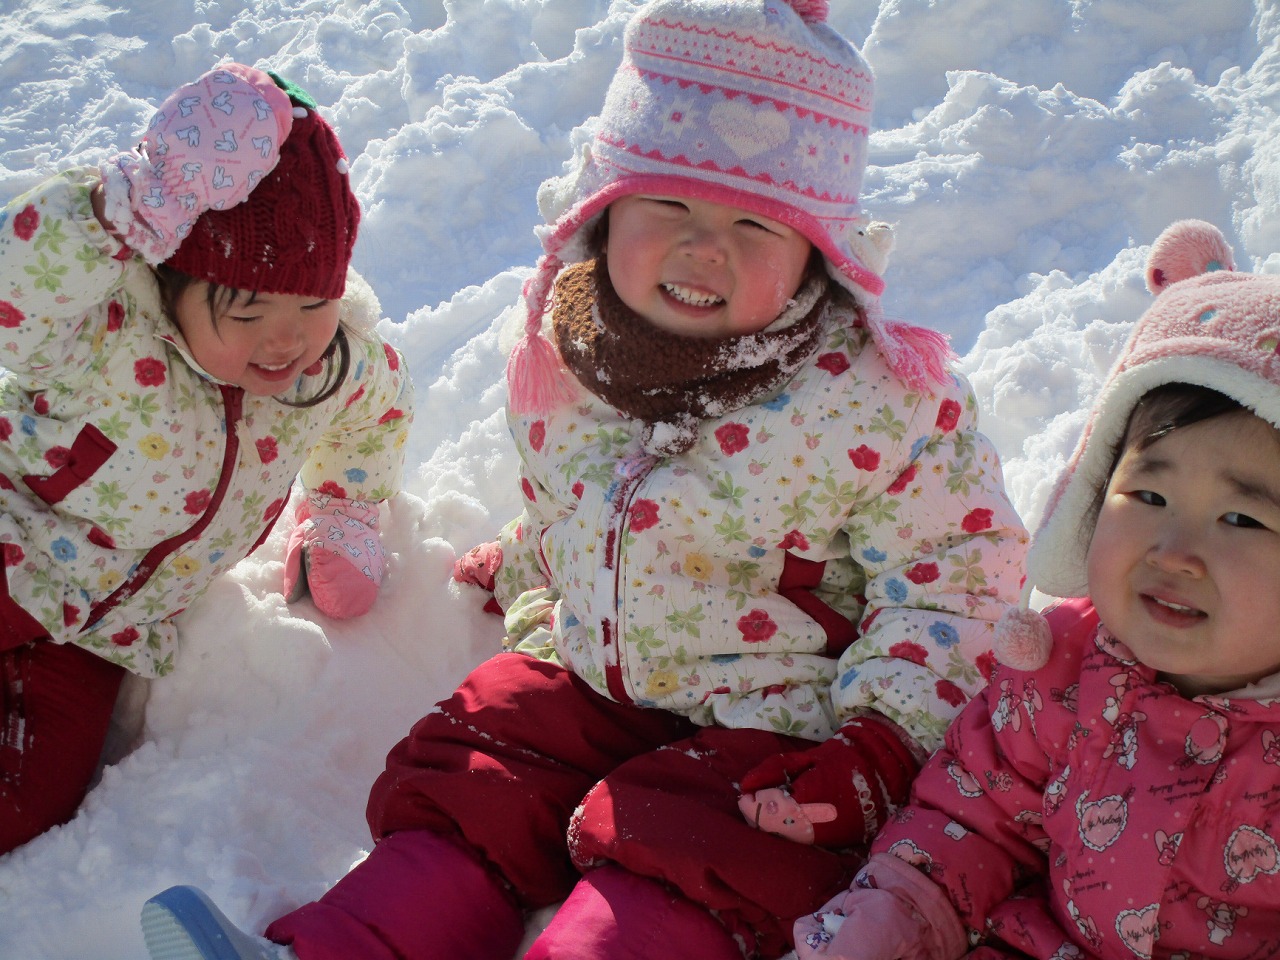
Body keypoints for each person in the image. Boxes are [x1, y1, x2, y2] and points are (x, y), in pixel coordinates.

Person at [140, 3, 1024, 958]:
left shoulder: (880, 401)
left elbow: (955, 578)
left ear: (821, 247)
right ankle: (340, 946)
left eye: (755, 223)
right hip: (592, 677)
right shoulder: (571, 352)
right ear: (607, 208)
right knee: (480, 772)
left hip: (774, 720)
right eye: (670, 207)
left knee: (695, 853)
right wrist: (533, 565)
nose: (703, 248)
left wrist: (883, 743)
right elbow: (586, 498)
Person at [794, 218, 1280, 959]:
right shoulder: (1058, 675)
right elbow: (979, 813)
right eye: (1148, 498)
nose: (1175, 552)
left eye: (1241, 518)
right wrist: (903, 911)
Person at [0, 63, 413, 855]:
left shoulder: (329, 371)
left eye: (312, 304)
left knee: (30, 804)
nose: (285, 339)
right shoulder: (104, 332)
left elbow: (381, 412)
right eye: (248, 309)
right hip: (14, 540)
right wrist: (117, 210)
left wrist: (344, 511)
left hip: (101, 635)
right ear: (173, 282)